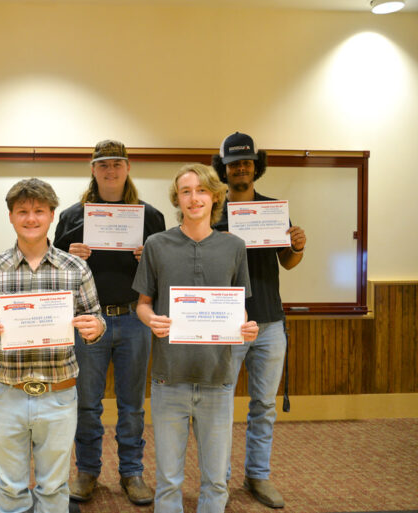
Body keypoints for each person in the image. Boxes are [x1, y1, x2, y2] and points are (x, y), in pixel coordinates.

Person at [0, 178, 106, 513]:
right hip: (6, 392)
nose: (31, 218)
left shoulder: (75, 268)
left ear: (52, 215)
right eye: (22, 211)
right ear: (10, 216)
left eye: (39, 211)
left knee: (54, 486)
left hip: (59, 392)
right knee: (10, 487)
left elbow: (95, 317)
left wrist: (94, 327)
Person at [133, 164, 259, 512]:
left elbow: (240, 309)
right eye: (186, 191)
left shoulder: (234, 246)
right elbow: (143, 305)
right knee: (169, 479)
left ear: (215, 196)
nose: (194, 198)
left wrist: (246, 326)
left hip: (217, 377)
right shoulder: (157, 244)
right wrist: (152, 320)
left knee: (216, 480)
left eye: (201, 190)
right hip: (168, 377)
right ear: (178, 199)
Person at [53, 139, 165, 505]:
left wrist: (147, 257)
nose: (111, 170)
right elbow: (53, 269)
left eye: (117, 164)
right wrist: (69, 254)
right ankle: (87, 471)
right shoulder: (72, 216)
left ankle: (132, 473)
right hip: (88, 322)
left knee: (132, 404)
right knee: (87, 403)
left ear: (128, 167)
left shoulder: (151, 216)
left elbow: (162, 274)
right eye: (103, 164)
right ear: (93, 169)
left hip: (134, 319)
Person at [212, 132, 306, 509]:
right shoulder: (212, 212)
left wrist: (298, 245)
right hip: (224, 322)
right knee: (219, 404)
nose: (241, 168)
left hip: (269, 322)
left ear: (256, 166)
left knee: (264, 406)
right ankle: (218, 478)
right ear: (224, 168)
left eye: (247, 162)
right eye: (234, 163)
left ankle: (258, 476)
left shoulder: (274, 211)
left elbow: (289, 261)